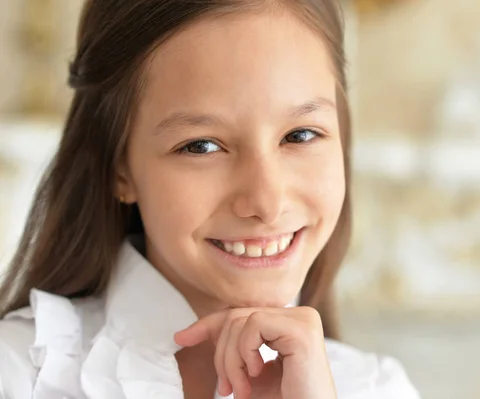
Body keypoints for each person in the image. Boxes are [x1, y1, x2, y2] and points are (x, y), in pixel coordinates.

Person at [0, 1, 420, 398]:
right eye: (201, 146)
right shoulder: (19, 373)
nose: (266, 202)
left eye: (300, 135)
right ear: (119, 167)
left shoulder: (378, 388)